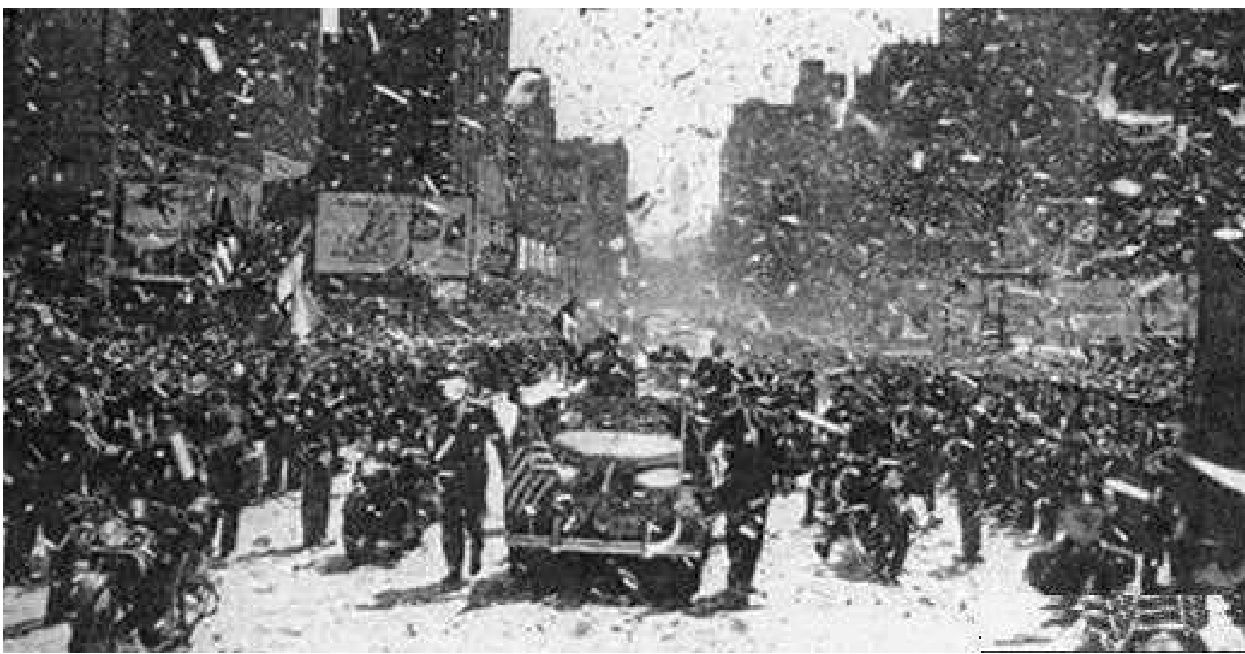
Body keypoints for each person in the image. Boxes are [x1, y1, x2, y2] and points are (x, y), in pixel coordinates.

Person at [702, 385, 779, 609]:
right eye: (748, 399)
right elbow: (707, 442)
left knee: (755, 536)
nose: (752, 404)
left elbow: (776, 452)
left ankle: (745, 581)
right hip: (736, 485)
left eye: (756, 399)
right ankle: (735, 583)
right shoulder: (730, 420)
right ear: (741, 400)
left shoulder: (766, 423)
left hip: (760, 486)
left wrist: (779, 474)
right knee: (737, 534)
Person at [433, 374, 494, 588]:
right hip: (450, 475)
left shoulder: (480, 411)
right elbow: (437, 443)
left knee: (474, 520)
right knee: (451, 523)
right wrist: (436, 469)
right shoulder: (443, 413)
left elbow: (497, 438)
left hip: (474, 475)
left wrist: (507, 468)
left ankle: (476, 559)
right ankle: (454, 570)